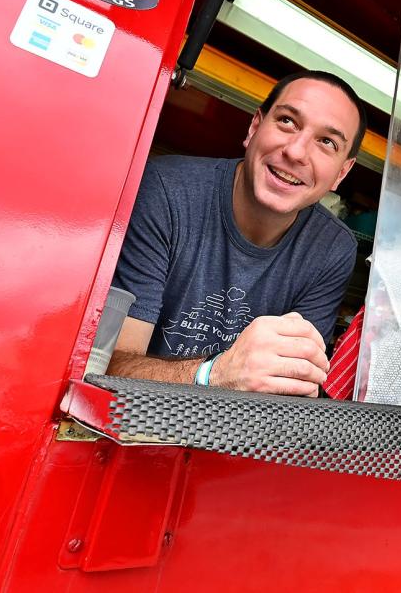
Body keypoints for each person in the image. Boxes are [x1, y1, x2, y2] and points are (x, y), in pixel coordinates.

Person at [107, 70, 365, 397]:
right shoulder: (167, 191)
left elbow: (291, 390)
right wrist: (212, 374)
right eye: (287, 121)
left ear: (341, 172)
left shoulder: (332, 249)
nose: (297, 152)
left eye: (326, 142)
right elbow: (110, 367)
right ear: (254, 127)